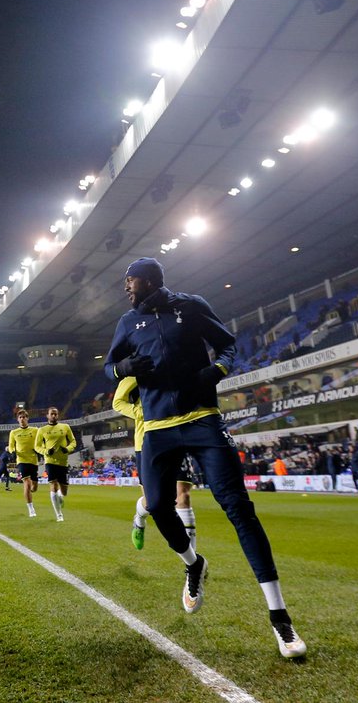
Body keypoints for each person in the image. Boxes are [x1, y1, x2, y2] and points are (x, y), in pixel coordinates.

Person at [104, 257, 305, 658]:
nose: (126, 288)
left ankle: (281, 619)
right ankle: (194, 564)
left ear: (150, 281)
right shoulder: (127, 322)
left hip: (202, 421)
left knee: (239, 509)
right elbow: (110, 367)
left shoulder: (191, 305)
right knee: (158, 506)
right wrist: (122, 366)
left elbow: (228, 344)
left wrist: (216, 369)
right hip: (158, 429)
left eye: (131, 281)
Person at [113, 377, 198, 552]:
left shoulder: (174, 365)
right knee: (153, 502)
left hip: (177, 436)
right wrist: (143, 412)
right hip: (147, 442)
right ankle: (139, 518)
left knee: (183, 496)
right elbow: (118, 402)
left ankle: (193, 562)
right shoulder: (135, 373)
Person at [34, 407, 75, 521]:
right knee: (53, 485)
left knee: (64, 491)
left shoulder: (65, 427)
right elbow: (37, 446)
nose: (54, 416)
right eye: (51, 414)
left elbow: (73, 442)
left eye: (56, 414)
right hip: (50, 461)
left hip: (63, 462)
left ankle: (60, 498)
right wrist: (46, 451)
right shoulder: (42, 430)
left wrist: (67, 449)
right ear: (47, 415)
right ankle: (59, 515)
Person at [6, 408, 40, 517]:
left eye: (24, 417)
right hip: (21, 460)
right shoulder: (14, 432)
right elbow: (11, 446)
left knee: (34, 486)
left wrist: (39, 449)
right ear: (17, 420)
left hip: (33, 460)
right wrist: (12, 452)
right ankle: (31, 508)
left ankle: (32, 489)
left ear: (27, 418)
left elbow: (41, 442)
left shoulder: (35, 430)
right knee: (27, 482)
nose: (22, 419)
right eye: (20, 417)